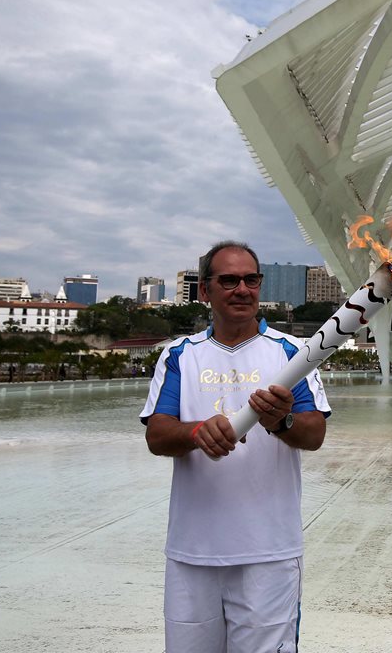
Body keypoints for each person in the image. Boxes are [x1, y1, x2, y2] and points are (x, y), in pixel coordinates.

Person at [140, 240, 330, 653]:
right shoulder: (179, 355)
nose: (242, 288)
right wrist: (196, 433)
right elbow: (158, 433)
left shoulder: (291, 353)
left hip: (269, 553)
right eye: (228, 280)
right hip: (193, 553)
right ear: (205, 290)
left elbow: (314, 433)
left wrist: (281, 422)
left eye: (250, 279)